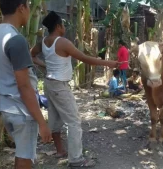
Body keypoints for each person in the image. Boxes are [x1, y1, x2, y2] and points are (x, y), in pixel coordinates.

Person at [31, 11, 119, 168]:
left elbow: (31, 55)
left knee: (55, 119)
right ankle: (76, 160)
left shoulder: (43, 42)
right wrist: (109, 63)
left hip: (49, 84)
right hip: (60, 85)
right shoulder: (62, 42)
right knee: (73, 122)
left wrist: (46, 66)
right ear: (58, 26)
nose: (64, 27)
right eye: (63, 25)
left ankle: (60, 151)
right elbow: (84, 58)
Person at [0, 0, 52, 168]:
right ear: (21, 8)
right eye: (28, 6)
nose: (30, 11)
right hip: (21, 109)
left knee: (22, 153)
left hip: (6, 106)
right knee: (25, 158)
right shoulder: (15, 39)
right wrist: (42, 122)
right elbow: (23, 86)